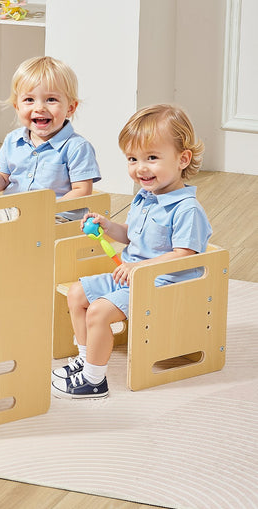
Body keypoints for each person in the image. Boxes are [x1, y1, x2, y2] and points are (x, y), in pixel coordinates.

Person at [52, 103, 212, 399]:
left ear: (182, 159)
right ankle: (86, 359)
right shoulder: (144, 197)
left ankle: (94, 380)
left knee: (99, 311)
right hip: (130, 277)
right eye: (132, 158)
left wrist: (139, 268)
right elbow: (131, 236)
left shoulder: (187, 209)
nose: (140, 168)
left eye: (152, 157)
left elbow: (186, 256)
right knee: (77, 293)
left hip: (160, 284)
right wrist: (108, 226)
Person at [0, 56, 101, 222]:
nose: (39, 107)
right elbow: (3, 181)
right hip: (12, 211)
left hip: (57, 215)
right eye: (29, 100)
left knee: (31, 235)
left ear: (70, 108)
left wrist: (47, 210)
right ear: (17, 107)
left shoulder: (77, 147)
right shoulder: (12, 140)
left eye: (51, 99)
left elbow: (82, 190)